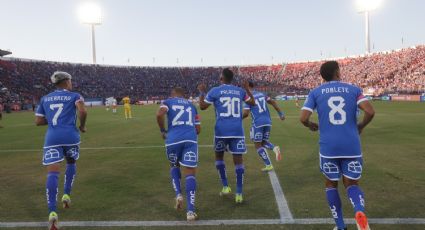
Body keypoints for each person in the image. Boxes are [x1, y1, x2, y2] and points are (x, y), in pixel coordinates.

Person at [300, 61, 375, 230]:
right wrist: (361, 126)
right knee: (352, 184)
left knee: (331, 184)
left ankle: (340, 226)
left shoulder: (315, 92)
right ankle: (359, 211)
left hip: (328, 148)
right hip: (351, 145)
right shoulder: (354, 89)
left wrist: (310, 125)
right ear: (338, 73)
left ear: (322, 76)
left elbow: (303, 118)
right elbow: (370, 111)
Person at [35, 71, 87, 230]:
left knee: (52, 173)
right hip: (70, 136)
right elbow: (83, 111)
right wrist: (82, 126)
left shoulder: (45, 98)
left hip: (52, 138)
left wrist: (51, 121)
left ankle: (52, 212)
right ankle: (66, 194)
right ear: (67, 82)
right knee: (71, 162)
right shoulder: (74, 95)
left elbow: (38, 121)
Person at [198, 68, 255, 203]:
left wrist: (201, 92)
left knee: (219, 157)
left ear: (221, 78)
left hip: (221, 131)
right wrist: (247, 89)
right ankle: (239, 194)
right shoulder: (239, 91)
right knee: (238, 161)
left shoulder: (215, 91)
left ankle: (225, 186)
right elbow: (253, 103)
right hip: (237, 131)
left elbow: (202, 106)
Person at [156, 87, 201, 221]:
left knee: (174, 165)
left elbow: (159, 114)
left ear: (173, 94)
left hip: (172, 140)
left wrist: (163, 130)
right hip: (189, 140)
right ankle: (191, 211)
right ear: (184, 95)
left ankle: (178, 194)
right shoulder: (192, 106)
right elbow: (198, 129)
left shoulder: (168, 102)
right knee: (190, 173)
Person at [242, 81, 285, 172]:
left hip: (258, 123)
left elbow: (245, 114)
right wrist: (280, 113)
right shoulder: (261, 94)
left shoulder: (248, 97)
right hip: (268, 121)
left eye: (244, 86)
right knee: (263, 142)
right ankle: (274, 148)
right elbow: (273, 102)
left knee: (257, 145)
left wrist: (237, 119)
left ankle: (268, 164)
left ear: (248, 86)